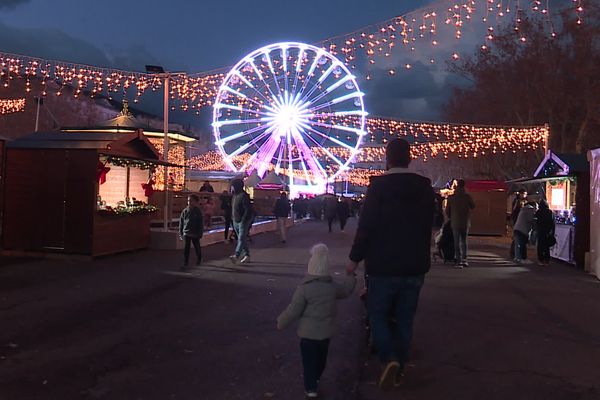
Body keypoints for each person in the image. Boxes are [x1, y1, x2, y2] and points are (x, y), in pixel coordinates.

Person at [346, 138, 434, 390]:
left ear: (387, 158)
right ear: (410, 158)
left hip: (382, 265)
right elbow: (428, 225)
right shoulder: (425, 188)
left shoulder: (378, 188)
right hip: (415, 265)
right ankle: (400, 369)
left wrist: (354, 259)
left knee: (377, 315)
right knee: (406, 319)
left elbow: (366, 227)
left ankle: (389, 358)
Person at [277, 243, 356, 398]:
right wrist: (351, 277)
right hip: (325, 334)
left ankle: (311, 388)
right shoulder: (332, 287)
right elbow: (346, 290)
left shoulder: (304, 289)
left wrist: (281, 321)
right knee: (321, 360)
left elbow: (293, 310)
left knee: (308, 362)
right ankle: (317, 378)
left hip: (307, 335)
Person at [446, 179, 475, 268]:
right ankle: (464, 259)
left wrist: (452, 217)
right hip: (465, 222)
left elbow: (447, 211)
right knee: (464, 241)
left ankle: (457, 260)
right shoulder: (467, 197)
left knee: (456, 241)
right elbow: (473, 206)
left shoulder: (451, 197)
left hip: (455, 222)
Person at [230, 178, 252, 264]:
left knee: (241, 238)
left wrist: (244, 219)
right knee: (241, 239)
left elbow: (247, 209)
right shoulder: (234, 196)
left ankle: (236, 255)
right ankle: (247, 255)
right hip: (235, 220)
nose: (231, 188)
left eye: (232, 186)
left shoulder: (244, 196)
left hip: (243, 221)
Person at [179, 194, 203, 269]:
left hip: (195, 233)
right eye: (188, 201)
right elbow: (181, 222)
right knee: (186, 248)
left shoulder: (198, 211)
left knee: (197, 247)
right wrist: (181, 232)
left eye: (191, 201)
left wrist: (200, 233)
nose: (189, 202)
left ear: (196, 202)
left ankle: (199, 258)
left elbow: (200, 223)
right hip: (187, 232)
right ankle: (185, 262)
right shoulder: (185, 211)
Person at [535, 200, 555, 265]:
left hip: (540, 231)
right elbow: (553, 223)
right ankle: (547, 260)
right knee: (546, 246)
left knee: (540, 245)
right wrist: (552, 231)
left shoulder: (538, 212)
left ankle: (540, 260)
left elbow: (536, 221)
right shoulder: (550, 212)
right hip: (547, 231)